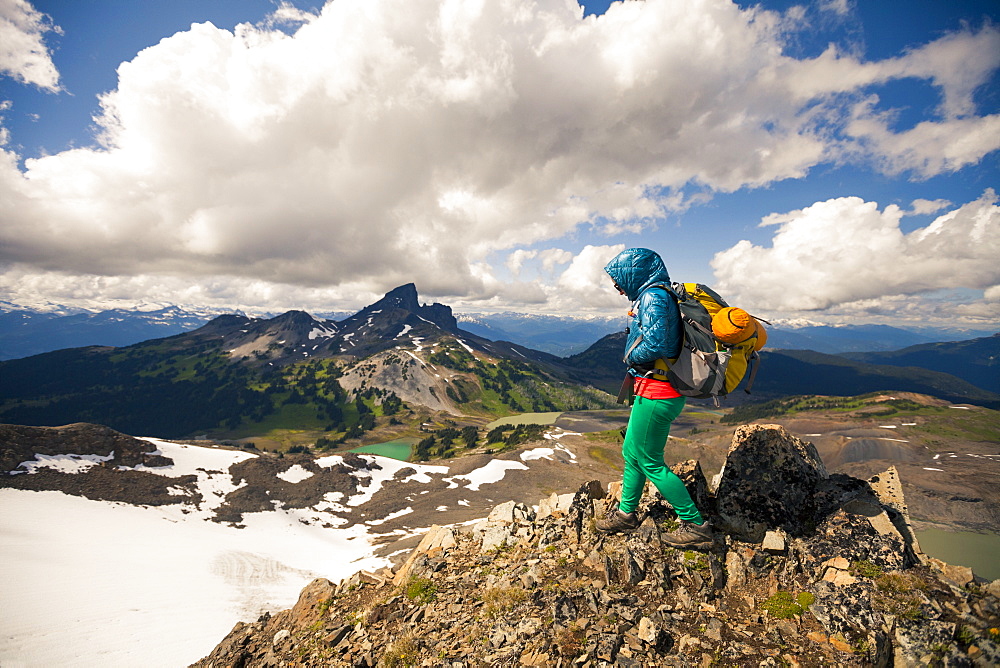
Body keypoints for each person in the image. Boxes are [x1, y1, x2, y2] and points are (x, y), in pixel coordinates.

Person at [595, 247, 714, 549]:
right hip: (651, 389)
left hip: (659, 392)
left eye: (617, 279)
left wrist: (629, 354)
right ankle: (625, 514)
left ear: (633, 273)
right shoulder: (653, 295)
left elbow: (661, 345)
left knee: (649, 461)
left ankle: (696, 525)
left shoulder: (654, 297)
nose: (615, 286)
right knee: (631, 453)